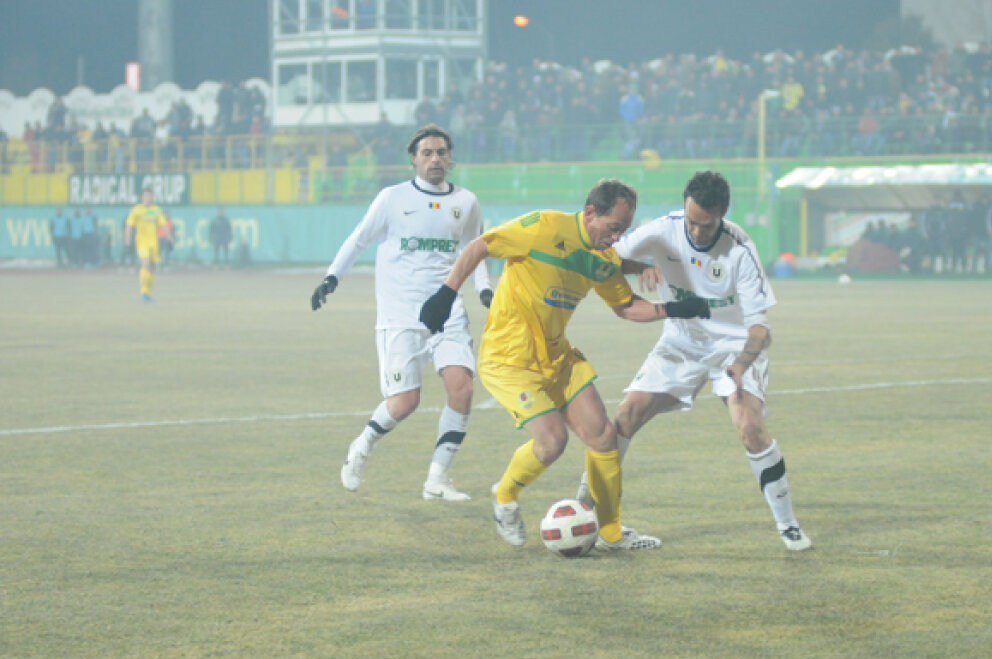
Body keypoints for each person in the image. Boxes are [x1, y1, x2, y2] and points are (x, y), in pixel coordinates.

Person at [418, 178, 710, 551]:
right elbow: (482, 246)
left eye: (624, 229)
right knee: (553, 441)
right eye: (613, 227)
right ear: (590, 213)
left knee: (604, 436)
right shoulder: (542, 226)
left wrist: (672, 309)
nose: (617, 237)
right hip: (509, 360)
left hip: (557, 358)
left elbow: (625, 307)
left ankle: (610, 534)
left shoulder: (603, 259)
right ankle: (505, 495)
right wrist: (446, 292)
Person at [572, 171, 813, 552]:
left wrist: (740, 364)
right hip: (681, 340)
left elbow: (760, 330)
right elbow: (604, 257)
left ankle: (789, 526)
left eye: (707, 225)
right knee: (626, 415)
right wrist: (638, 267)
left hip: (733, 346)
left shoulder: (740, 250)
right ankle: (585, 512)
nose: (697, 233)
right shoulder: (661, 230)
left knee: (749, 426)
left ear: (723, 214)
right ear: (684, 206)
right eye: (692, 222)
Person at [311, 124, 491, 501]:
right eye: (427, 152)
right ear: (414, 159)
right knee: (405, 403)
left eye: (441, 152)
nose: (435, 159)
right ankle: (362, 446)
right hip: (401, 317)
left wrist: (485, 289)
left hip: (448, 311)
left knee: (463, 389)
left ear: (450, 157)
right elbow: (359, 238)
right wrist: (331, 278)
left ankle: (437, 479)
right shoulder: (392, 199)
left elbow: (475, 250)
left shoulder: (467, 202)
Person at [124, 186, 171, 301]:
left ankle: (147, 292)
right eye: (146, 195)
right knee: (145, 263)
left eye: (150, 195)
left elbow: (163, 225)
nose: (148, 198)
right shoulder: (137, 210)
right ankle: (144, 292)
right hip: (142, 242)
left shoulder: (156, 210)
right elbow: (129, 225)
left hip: (154, 243)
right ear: (142, 197)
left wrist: (170, 238)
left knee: (152, 267)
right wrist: (127, 240)